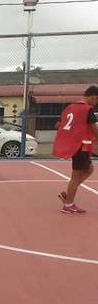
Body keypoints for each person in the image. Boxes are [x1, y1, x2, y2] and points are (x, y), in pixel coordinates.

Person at [52, 85, 98, 214]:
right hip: (81, 146)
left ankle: (67, 194)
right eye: (97, 101)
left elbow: (57, 126)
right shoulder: (87, 110)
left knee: (89, 169)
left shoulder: (69, 108)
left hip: (77, 146)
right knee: (76, 176)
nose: (96, 104)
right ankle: (68, 205)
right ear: (94, 97)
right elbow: (95, 130)